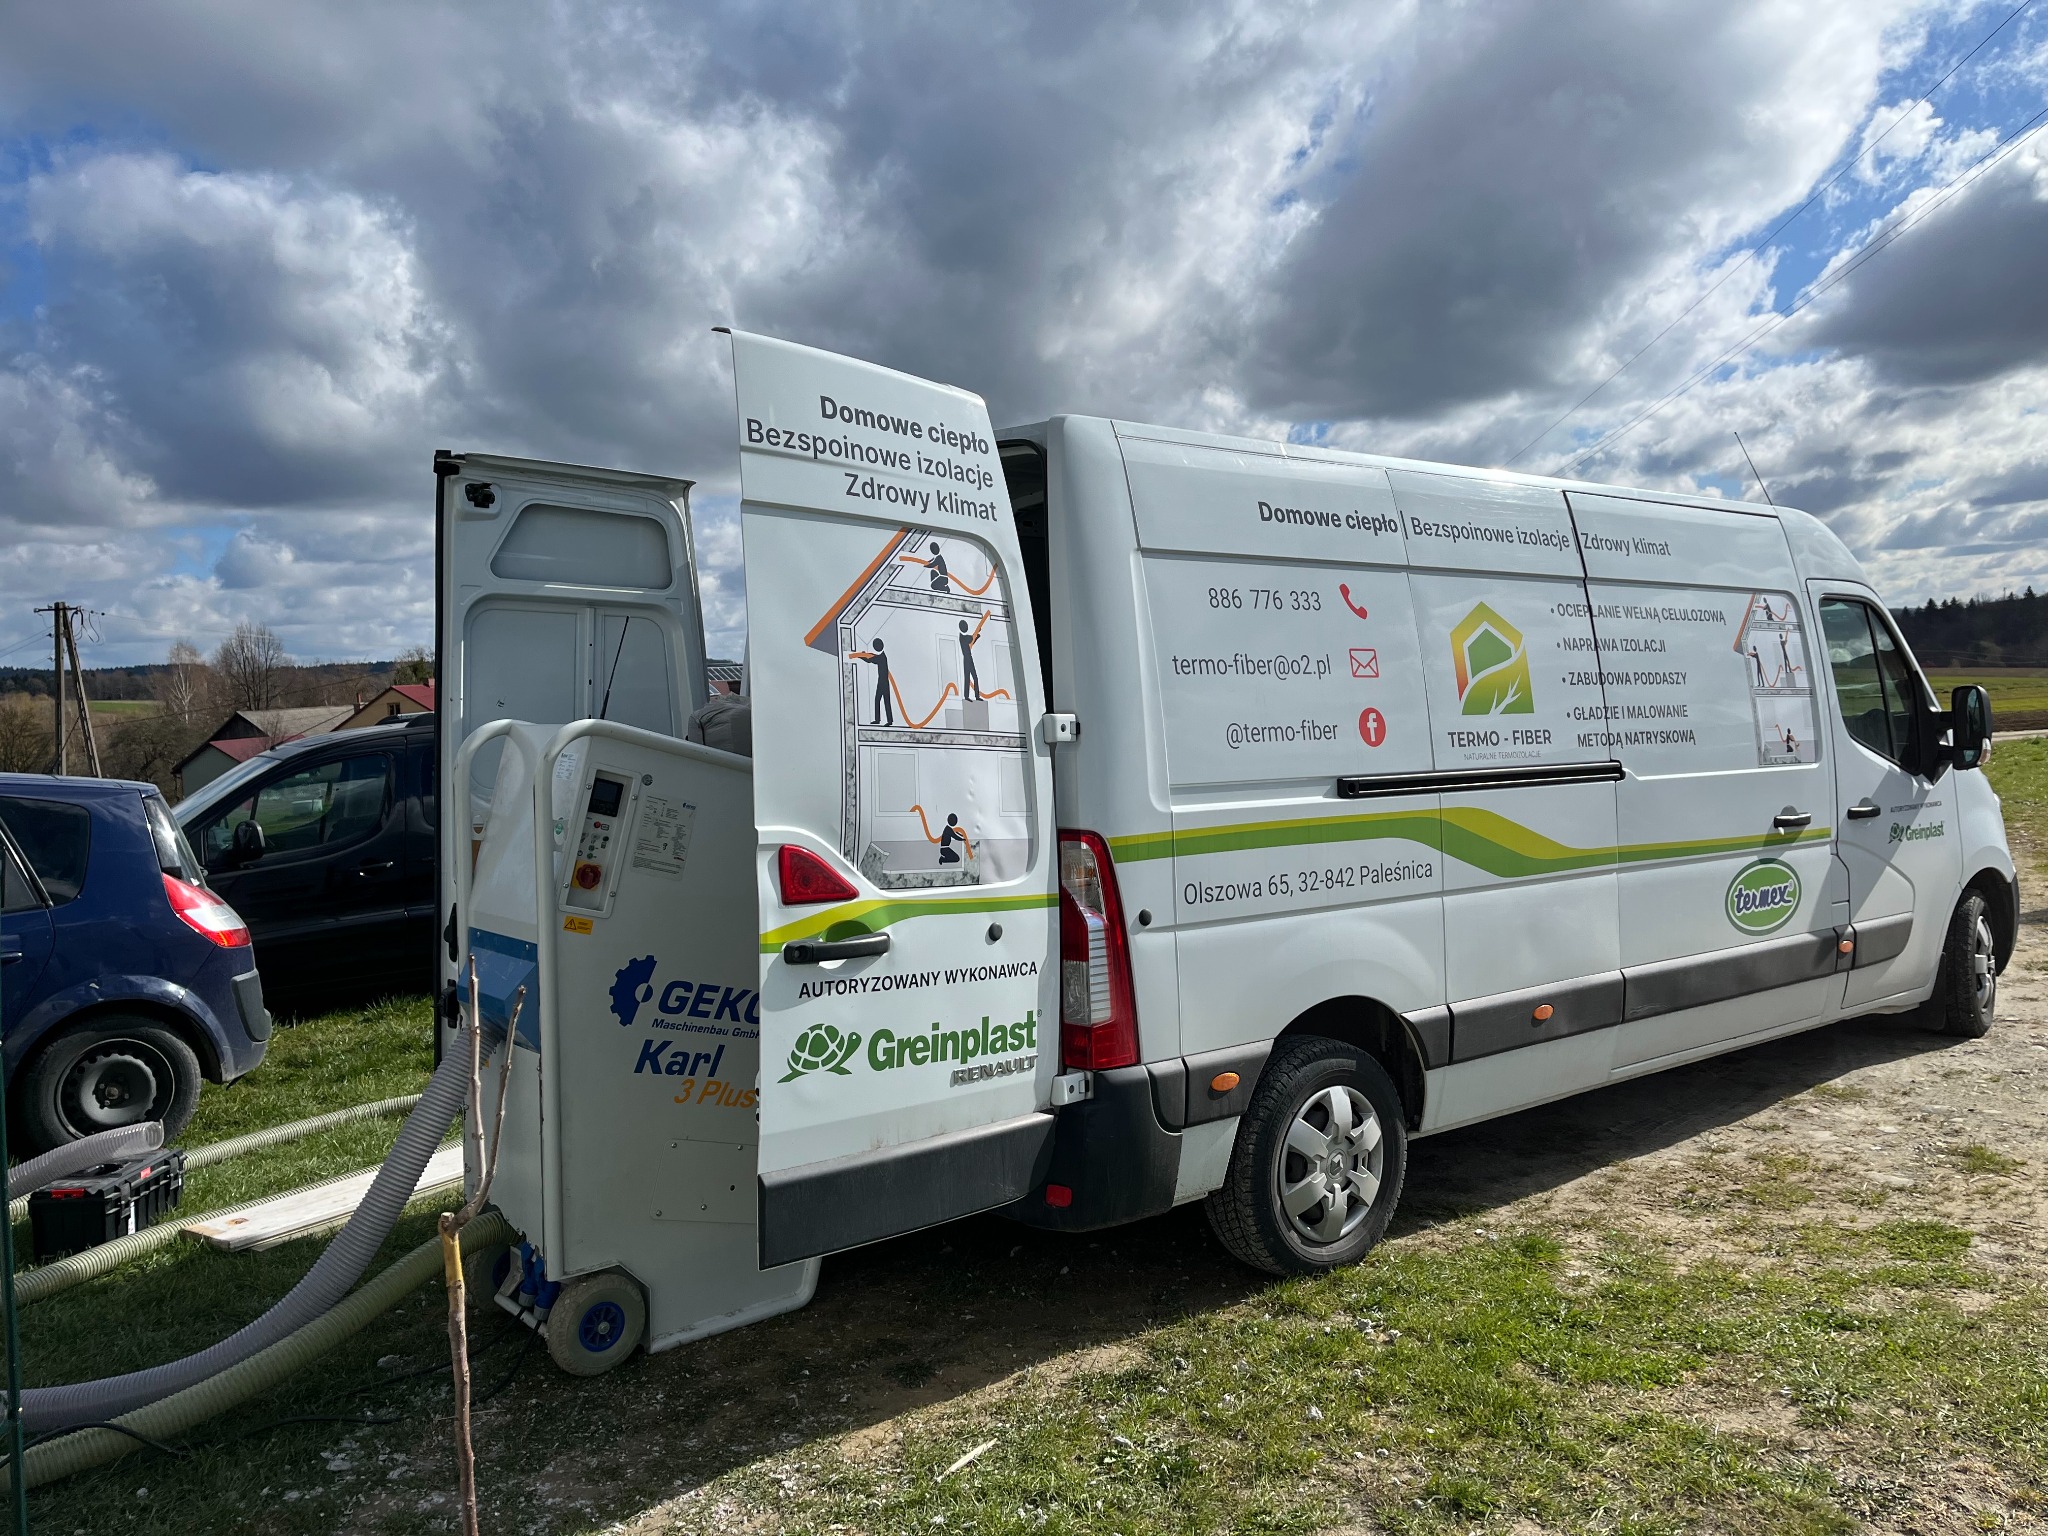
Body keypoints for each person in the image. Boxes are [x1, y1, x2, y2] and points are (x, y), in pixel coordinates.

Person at [853, 638, 892, 725]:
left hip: (883, 682)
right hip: (883, 681)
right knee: (884, 700)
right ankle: (886, 720)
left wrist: (860, 656)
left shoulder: (881, 658)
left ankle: (884, 720)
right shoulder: (882, 657)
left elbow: (870, 660)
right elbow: (871, 658)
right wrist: (863, 655)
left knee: (880, 700)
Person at [957, 617, 982, 701]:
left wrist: (977, 635)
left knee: (971, 677)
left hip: (968, 659)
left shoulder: (963, 638)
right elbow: (971, 638)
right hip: (968, 659)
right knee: (971, 677)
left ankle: (974, 696)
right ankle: (970, 696)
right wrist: (977, 633)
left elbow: (971, 640)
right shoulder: (963, 638)